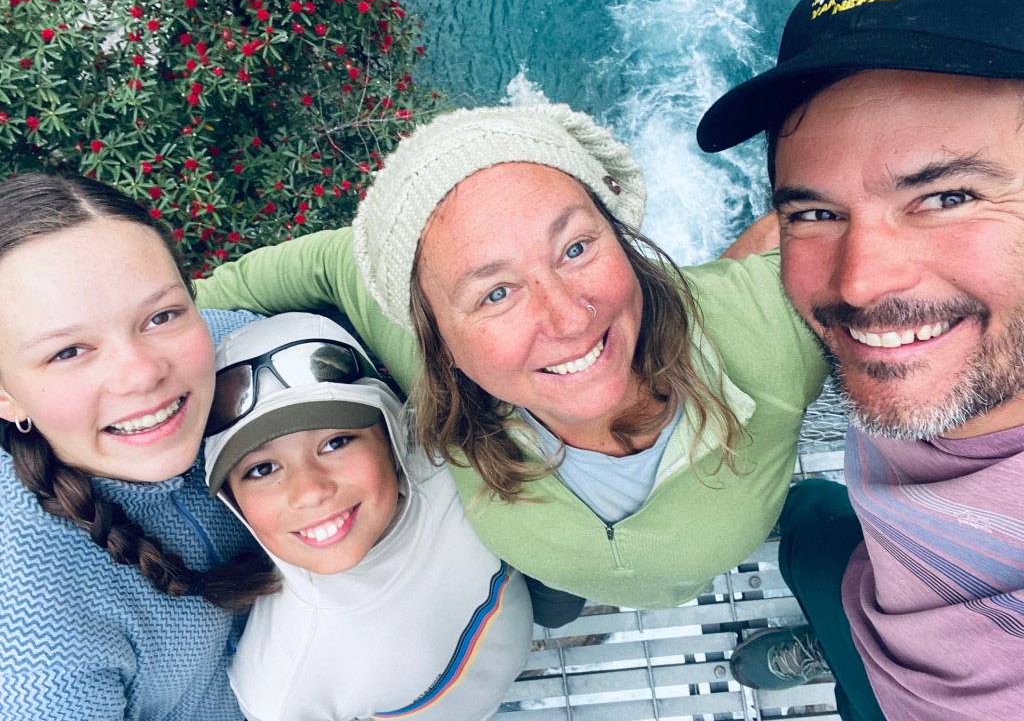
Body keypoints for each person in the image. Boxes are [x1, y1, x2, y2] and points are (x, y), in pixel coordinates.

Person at [195, 103, 827, 624]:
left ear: (619, 235)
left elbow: (845, 235)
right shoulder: (422, 355)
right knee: (550, 608)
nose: (569, 318)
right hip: (545, 574)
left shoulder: (772, 332)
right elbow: (316, 266)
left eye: (575, 248)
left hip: (688, 569)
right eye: (495, 293)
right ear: (435, 334)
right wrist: (159, 366)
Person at [697, 0, 1024, 719]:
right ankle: (844, 639)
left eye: (947, 196)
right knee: (809, 531)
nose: (859, 284)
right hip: (881, 560)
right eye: (817, 212)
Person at [0, 173, 276, 719]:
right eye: (68, 351)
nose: (142, 373)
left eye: (161, 316)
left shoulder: (239, 350)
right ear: (6, 395)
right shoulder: (28, 625)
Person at [202, 312, 533, 720]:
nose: (310, 491)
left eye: (336, 442)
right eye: (262, 469)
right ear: (234, 501)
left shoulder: (457, 461)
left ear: (390, 432)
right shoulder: (281, 688)